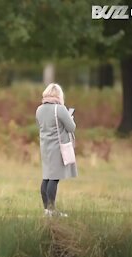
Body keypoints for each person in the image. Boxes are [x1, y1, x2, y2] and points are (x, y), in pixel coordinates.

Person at [36, 83, 77, 217]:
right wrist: (70, 118)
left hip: (45, 147)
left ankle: (46, 210)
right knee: (54, 178)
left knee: (46, 177)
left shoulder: (39, 109)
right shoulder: (60, 109)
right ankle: (52, 210)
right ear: (59, 94)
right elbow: (71, 127)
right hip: (57, 148)